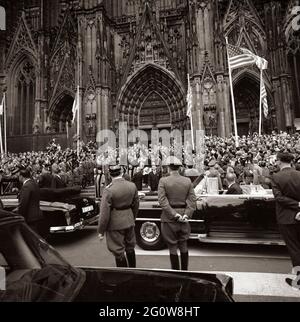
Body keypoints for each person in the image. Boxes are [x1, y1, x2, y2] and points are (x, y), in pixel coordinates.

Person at [158, 156, 196, 271]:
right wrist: (186, 214)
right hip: (184, 216)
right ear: (179, 168)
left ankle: (176, 273)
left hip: (170, 218)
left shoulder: (163, 180)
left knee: (172, 247)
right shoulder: (187, 180)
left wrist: (174, 214)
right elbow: (192, 200)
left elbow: (162, 201)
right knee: (183, 244)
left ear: (169, 168)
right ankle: (185, 271)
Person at [97, 164, 140, 268]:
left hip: (115, 224)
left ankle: (124, 278)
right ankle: (134, 272)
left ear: (110, 175)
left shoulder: (108, 190)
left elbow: (104, 213)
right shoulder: (132, 185)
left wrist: (101, 231)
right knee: (130, 247)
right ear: (122, 173)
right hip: (129, 220)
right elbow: (136, 205)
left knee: (118, 251)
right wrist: (132, 217)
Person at [271, 152, 300, 288]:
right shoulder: (299, 174)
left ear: (279, 161)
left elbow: (279, 198)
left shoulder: (276, 177)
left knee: (294, 248)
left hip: (286, 218)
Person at [17, 168, 44, 236]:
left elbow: (23, 204)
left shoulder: (26, 186)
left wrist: (19, 216)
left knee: (32, 238)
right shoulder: (34, 183)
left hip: (30, 217)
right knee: (35, 236)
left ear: (21, 176)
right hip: (37, 214)